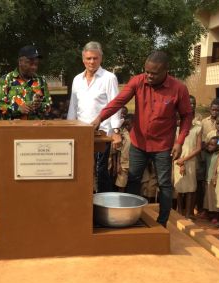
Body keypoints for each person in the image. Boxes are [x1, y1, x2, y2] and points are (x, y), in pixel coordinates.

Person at [91, 51, 193, 226]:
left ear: (166, 71)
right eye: (147, 71)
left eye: (154, 73)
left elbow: (187, 116)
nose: (149, 76)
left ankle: (162, 222)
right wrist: (100, 117)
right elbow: (118, 101)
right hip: (138, 143)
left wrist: (180, 141)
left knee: (164, 184)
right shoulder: (138, 81)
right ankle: (132, 218)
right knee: (133, 179)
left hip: (163, 145)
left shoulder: (178, 89)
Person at [67, 41, 121, 192]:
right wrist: (69, 127)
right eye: (89, 58)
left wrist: (116, 131)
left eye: (95, 58)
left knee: (100, 170)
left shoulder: (109, 78)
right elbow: (73, 106)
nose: (92, 62)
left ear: (101, 59)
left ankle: (103, 206)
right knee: (81, 168)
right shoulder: (77, 79)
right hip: (80, 132)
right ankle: (83, 201)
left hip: (102, 132)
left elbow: (115, 104)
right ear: (83, 59)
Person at [0, 45, 52, 120]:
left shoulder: (41, 81)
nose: (34, 67)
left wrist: (40, 106)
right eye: (30, 63)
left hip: (35, 129)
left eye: (36, 64)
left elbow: (48, 106)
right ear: (20, 62)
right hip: (13, 130)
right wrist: (17, 109)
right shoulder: (6, 79)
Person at [173, 96, 202, 219]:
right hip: (177, 161)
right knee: (179, 188)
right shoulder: (177, 129)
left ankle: (189, 213)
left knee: (191, 188)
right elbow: (174, 146)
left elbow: (198, 148)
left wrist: (184, 160)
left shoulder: (198, 128)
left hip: (191, 161)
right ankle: (179, 211)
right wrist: (180, 162)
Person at [202, 136, 219, 223]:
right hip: (207, 178)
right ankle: (208, 213)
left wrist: (215, 176)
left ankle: (216, 215)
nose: (210, 146)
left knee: (215, 198)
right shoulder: (207, 154)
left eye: (213, 145)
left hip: (214, 179)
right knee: (208, 197)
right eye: (209, 144)